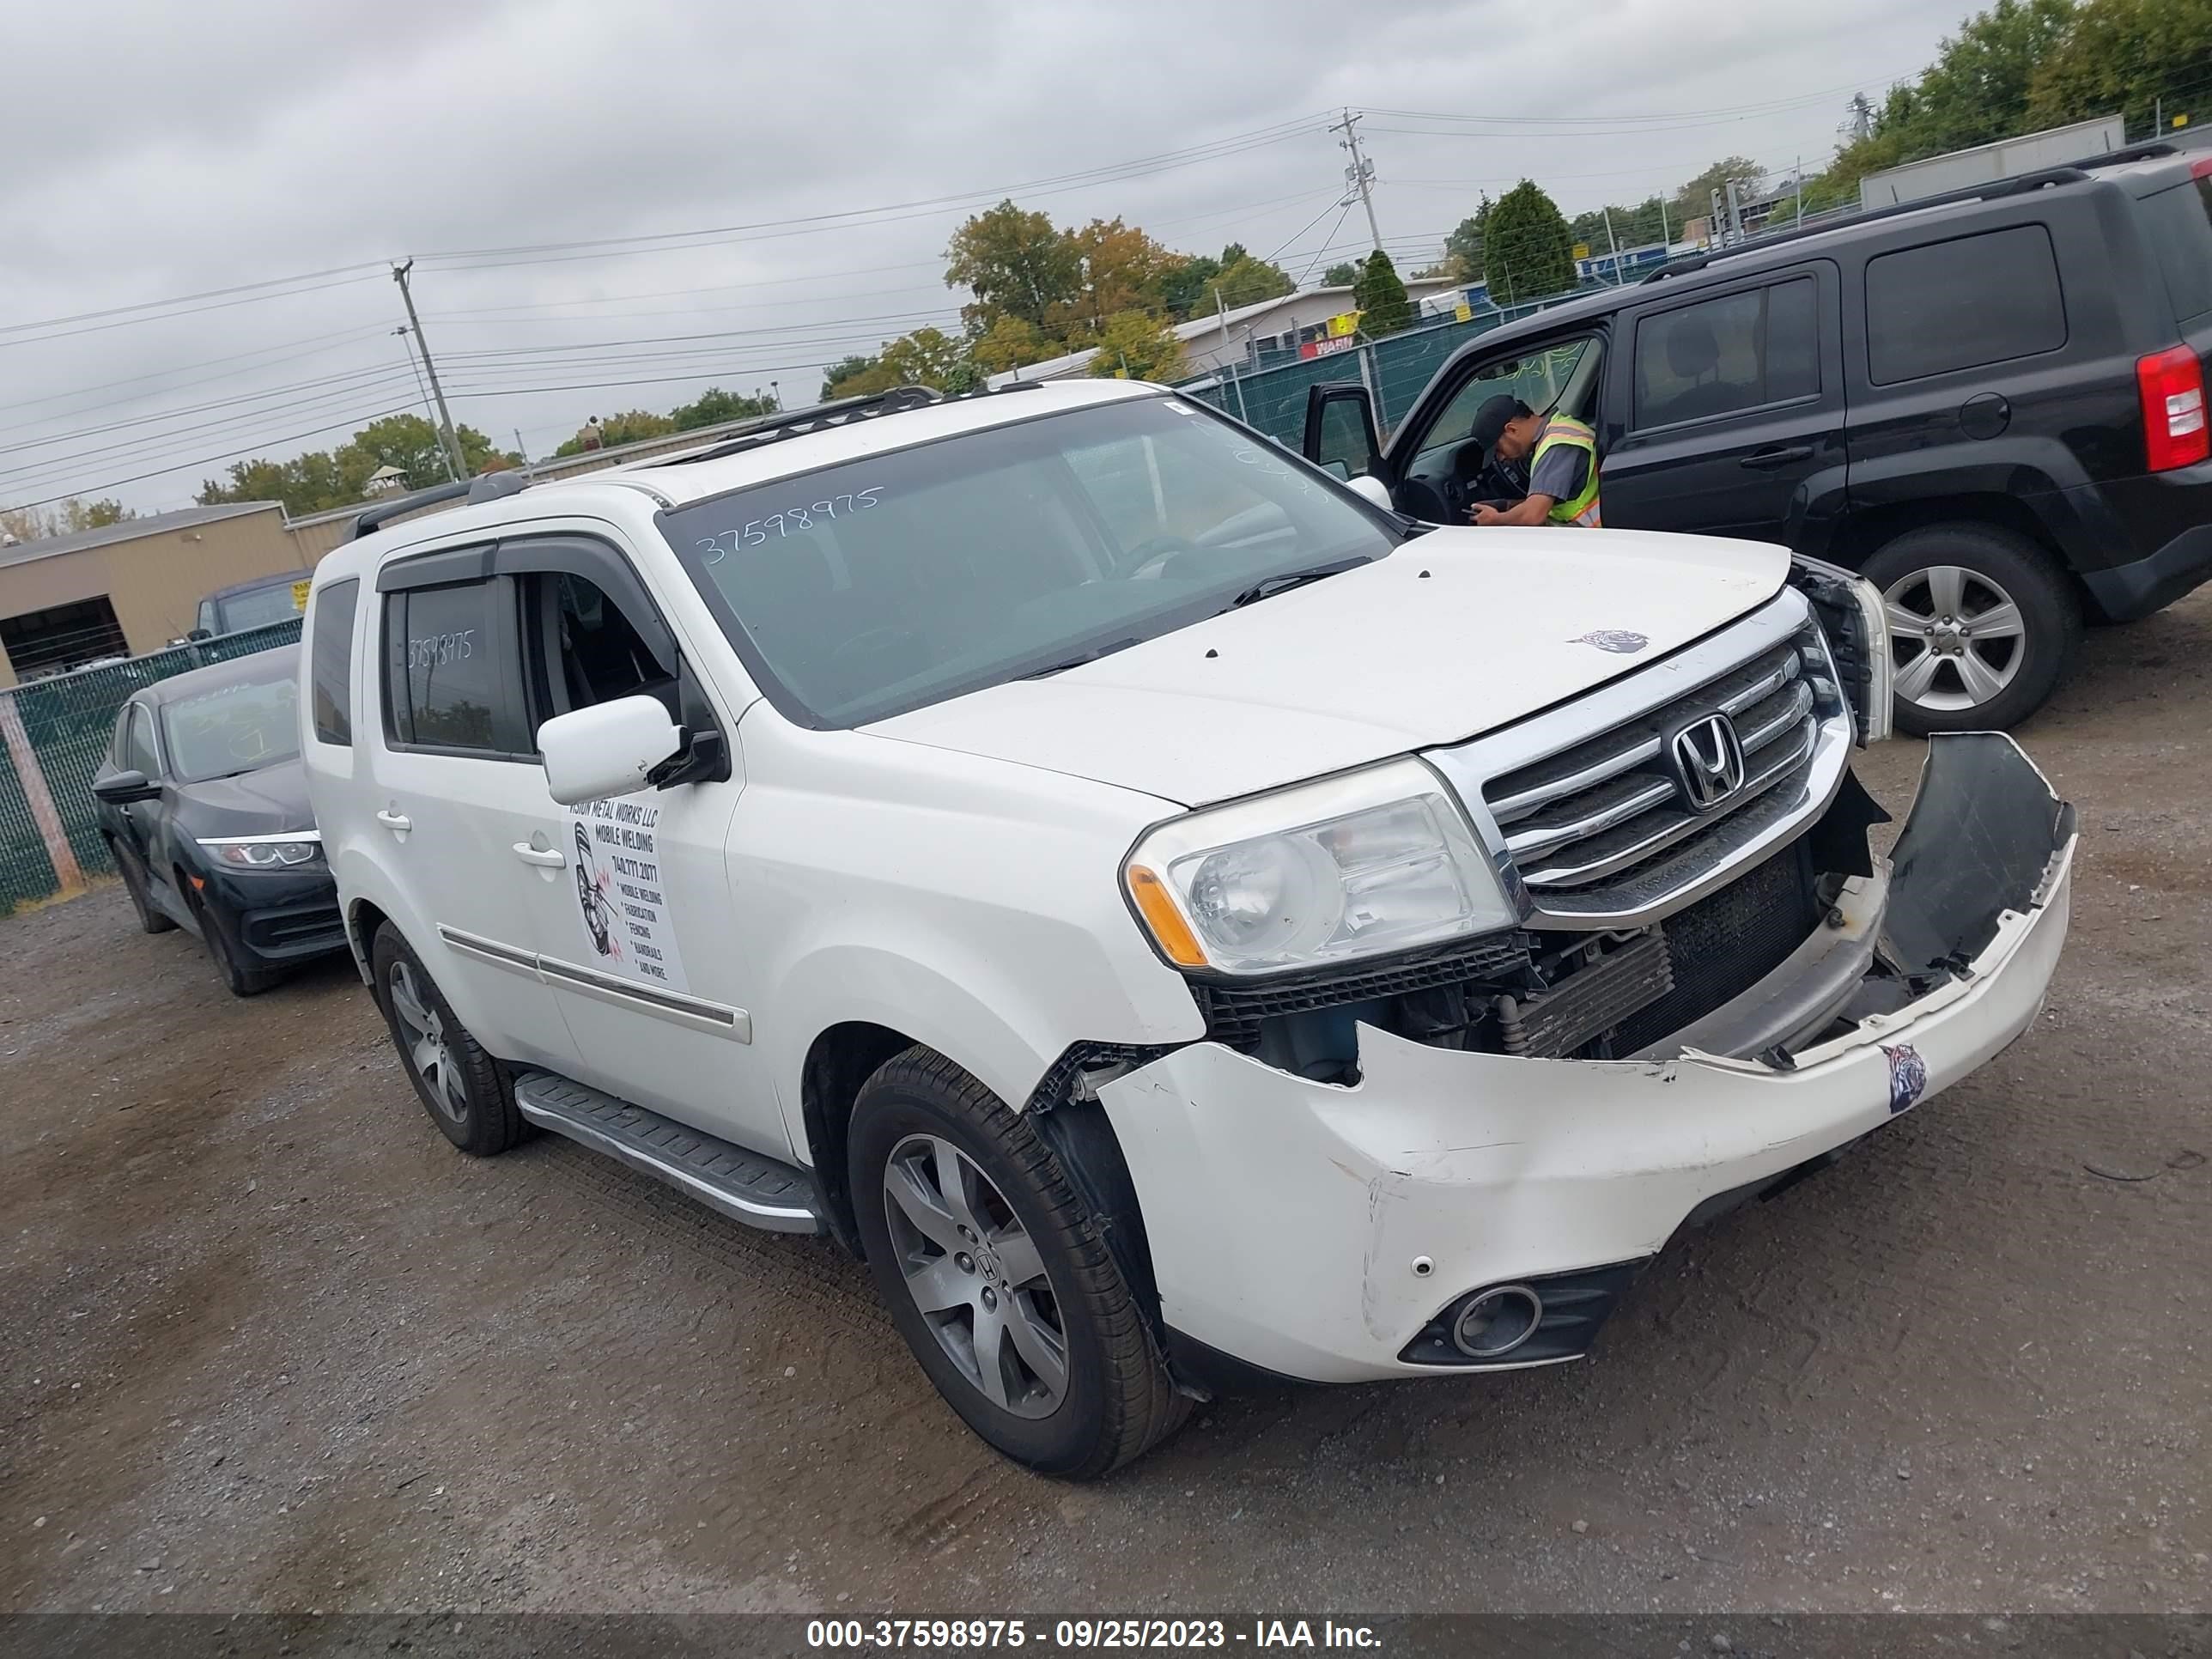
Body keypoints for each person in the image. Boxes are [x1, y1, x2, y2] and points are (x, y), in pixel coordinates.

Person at [1463, 394, 1601, 527]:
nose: (1501, 458)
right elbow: (1548, 503)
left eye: (1498, 449)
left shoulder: (1557, 445)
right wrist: (1506, 505)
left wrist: (1496, 519)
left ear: (1511, 430)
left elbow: (1533, 515)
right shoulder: (1559, 429)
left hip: (1596, 536)